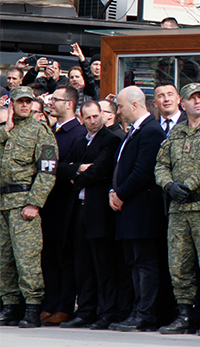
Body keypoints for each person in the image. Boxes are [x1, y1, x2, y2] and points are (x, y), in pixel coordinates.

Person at [155, 83, 200, 336]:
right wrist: (168, 185)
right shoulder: (175, 134)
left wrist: (188, 184)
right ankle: (184, 315)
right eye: (191, 98)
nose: (197, 102)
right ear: (183, 104)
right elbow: (160, 165)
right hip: (178, 209)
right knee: (179, 265)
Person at [57, 100, 122, 329]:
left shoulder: (111, 140)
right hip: (78, 211)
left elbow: (99, 171)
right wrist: (77, 168)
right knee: (82, 264)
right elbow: (60, 168)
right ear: (81, 119)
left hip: (99, 212)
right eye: (88, 117)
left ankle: (107, 311)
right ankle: (85, 311)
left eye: (96, 116)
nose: (93, 121)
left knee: (103, 264)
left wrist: (78, 174)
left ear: (102, 116)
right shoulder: (78, 141)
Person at [108, 86, 166, 332]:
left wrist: (120, 193)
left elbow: (143, 171)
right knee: (133, 262)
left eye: (120, 107)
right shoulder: (134, 131)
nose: (118, 111)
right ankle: (136, 310)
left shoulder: (151, 131)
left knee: (145, 262)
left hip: (142, 209)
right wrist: (114, 191)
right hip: (129, 209)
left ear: (134, 105)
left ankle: (145, 313)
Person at [0, 86, 59, 328]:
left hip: (24, 202)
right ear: (11, 105)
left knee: (27, 257)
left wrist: (35, 202)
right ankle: (10, 305)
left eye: (28, 101)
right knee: (4, 259)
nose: (24, 105)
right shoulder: (4, 131)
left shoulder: (40, 131)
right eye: (19, 102)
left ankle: (33, 307)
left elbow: (48, 170)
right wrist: (6, 130)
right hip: (2, 203)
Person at [41, 86, 85, 326]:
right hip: (47, 202)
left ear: (69, 104)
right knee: (48, 256)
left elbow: (73, 167)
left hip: (66, 204)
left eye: (55, 99)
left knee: (64, 257)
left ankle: (65, 306)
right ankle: (50, 303)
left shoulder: (78, 133)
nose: (51, 103)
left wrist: (66, 169)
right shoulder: (51, 131)